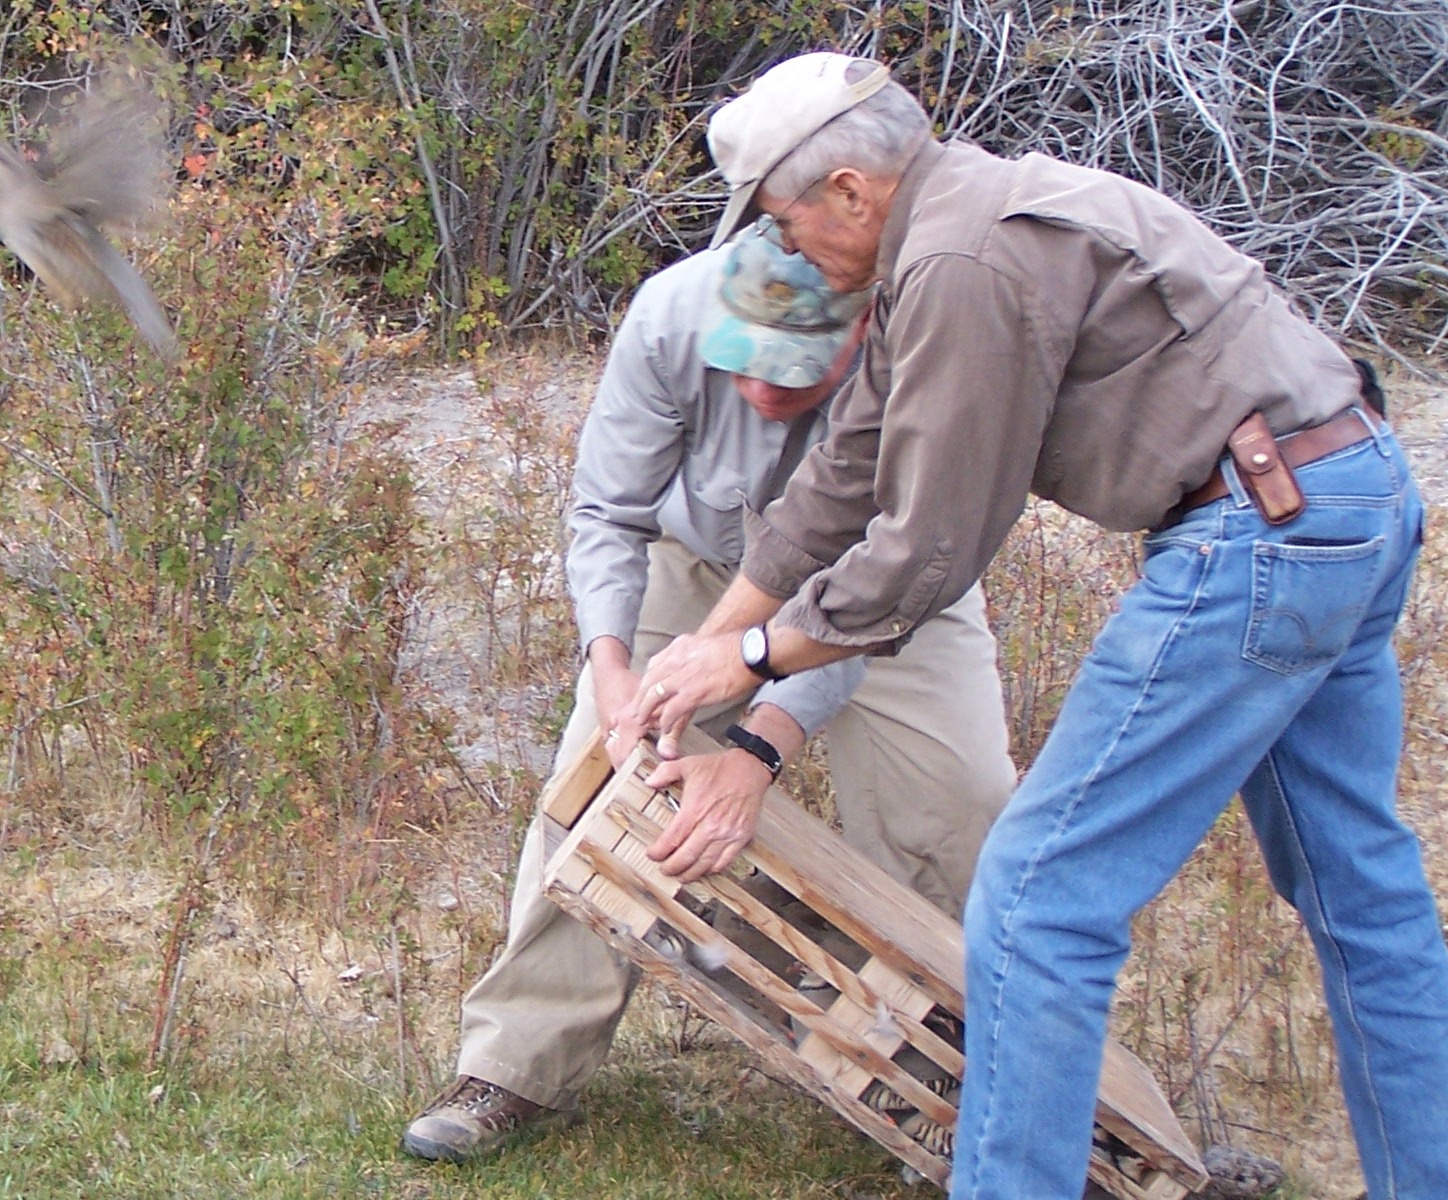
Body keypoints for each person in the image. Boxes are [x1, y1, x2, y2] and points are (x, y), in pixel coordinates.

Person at [632, 51, 1448, 1200]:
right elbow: (848, 471)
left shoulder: (959, 262)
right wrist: (705, 648)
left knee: (1033, 899)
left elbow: (923, 554)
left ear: (849, 192)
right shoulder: (956, 227)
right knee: (1357, 891)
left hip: (1261, 527)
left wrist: (753, 657)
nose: (785, 250)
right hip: (1345, 497)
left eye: (781, 219)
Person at [401, 219, 1017, 1164]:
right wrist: (612, 668)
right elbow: (607, 512)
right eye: (743, 363)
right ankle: (515, 1066)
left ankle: (942, 1079)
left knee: (958, 799)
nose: (760, 393)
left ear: (858, 328)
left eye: (791, 372)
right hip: (698, 566)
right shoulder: (669, 315)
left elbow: (867, 590)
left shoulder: (920, 360)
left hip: (893, 593)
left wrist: (757, 750)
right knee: (594, 784)